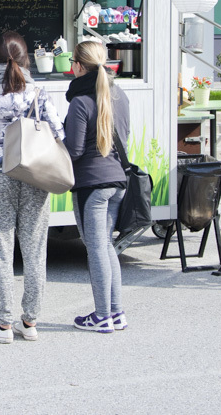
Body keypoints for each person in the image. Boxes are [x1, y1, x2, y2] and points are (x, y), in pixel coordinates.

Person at [0, 30, 64, 343]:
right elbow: (59, 133)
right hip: (35, 176)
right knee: (35, 251)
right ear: (26, 59)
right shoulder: (38, 94)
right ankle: (30, 322)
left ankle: (4, 324)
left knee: (1, 252)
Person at [63, 40, 131, 333]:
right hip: (117, 181)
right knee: (106, 246)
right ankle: (116, 313)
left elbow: (74, 150)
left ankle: (102, 315)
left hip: (92, 184)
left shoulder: (80, 101)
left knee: (96, 249)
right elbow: (125, 136)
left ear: (77, 66)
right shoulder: (120, 95)